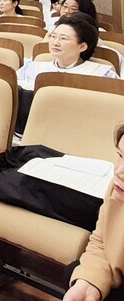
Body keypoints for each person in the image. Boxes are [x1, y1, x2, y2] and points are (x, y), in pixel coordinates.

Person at [63, 121, 124, 301]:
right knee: (75, 274)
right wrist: (89, 282)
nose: (119, 171)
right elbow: (102, 242)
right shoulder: (117, 188)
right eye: (120, 156)